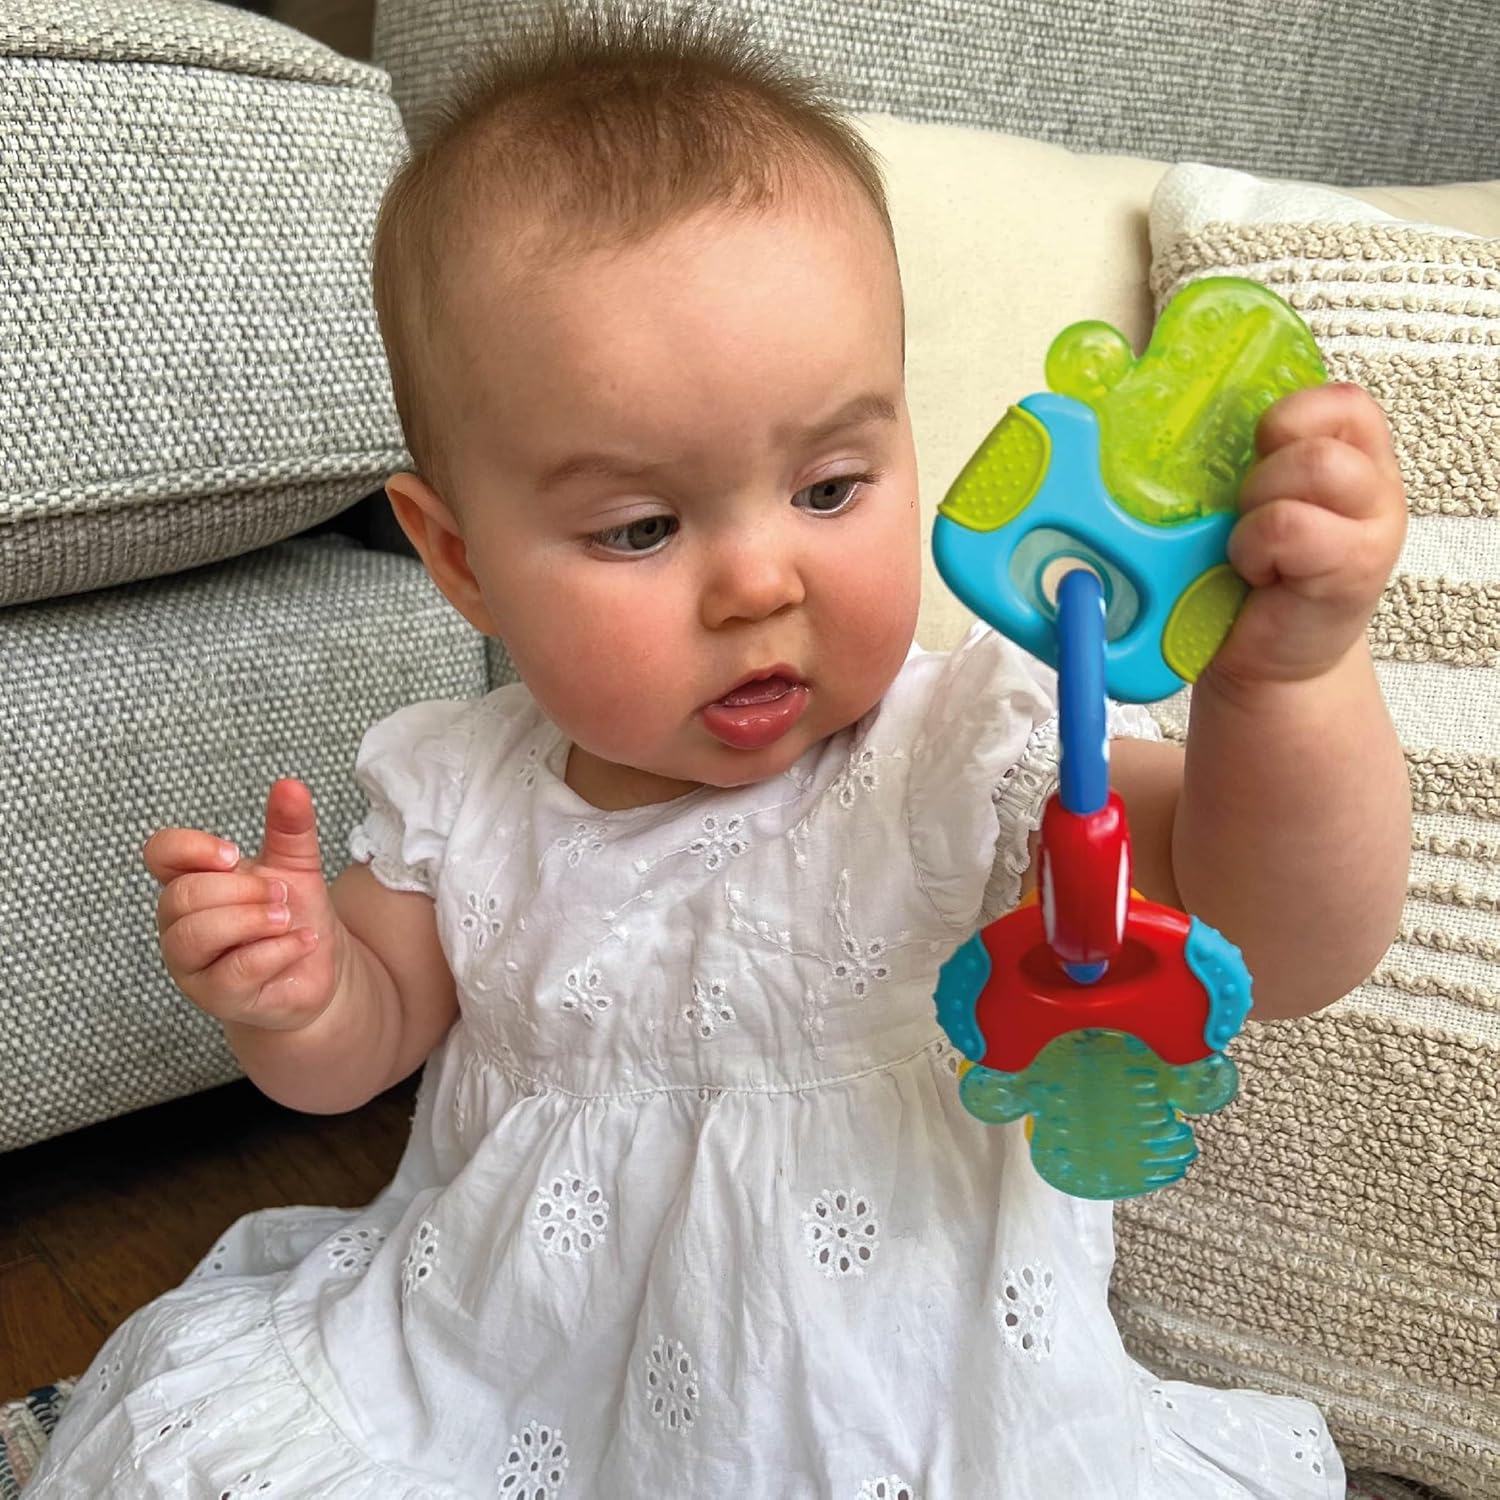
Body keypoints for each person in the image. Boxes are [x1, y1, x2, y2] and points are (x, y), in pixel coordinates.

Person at [25, 5, 1412, 1496]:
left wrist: (1288, 680)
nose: (759, 583)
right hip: (507, 1377)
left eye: (830, 487)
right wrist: (302, 991)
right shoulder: (461, 793)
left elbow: (1285, 941)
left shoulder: (977, 749)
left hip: (914, 1416)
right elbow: (361, 1046)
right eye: (640, 527)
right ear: (462, 558)